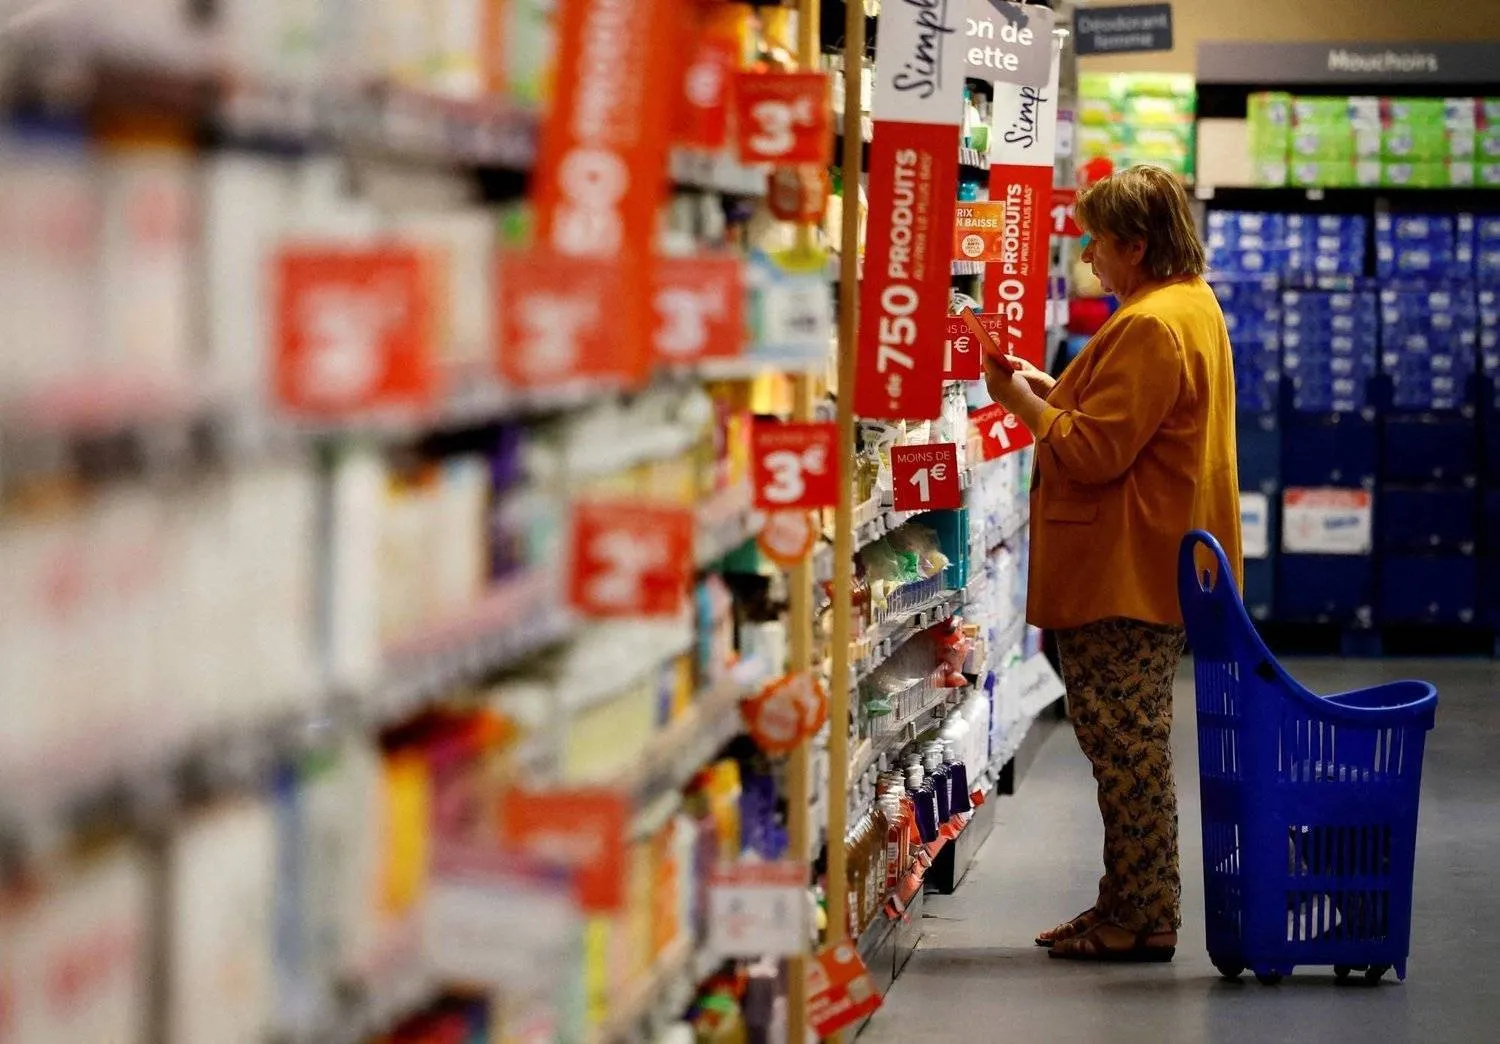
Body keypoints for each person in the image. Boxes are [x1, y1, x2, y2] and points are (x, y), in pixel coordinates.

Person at [982, 164, 1243, 962]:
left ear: (1136, 244)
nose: (1089, 256)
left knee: (1127, 752)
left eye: (1097, 240)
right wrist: (1052, 388)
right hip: (1158, 554)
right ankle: (1122, 900)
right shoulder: (1189, 303)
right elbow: (1135, 419)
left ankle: (1146, 917)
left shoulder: (1151, 323)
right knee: (1125, 747)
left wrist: (1020, 402)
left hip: (1126, 565)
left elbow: (1097, 452)